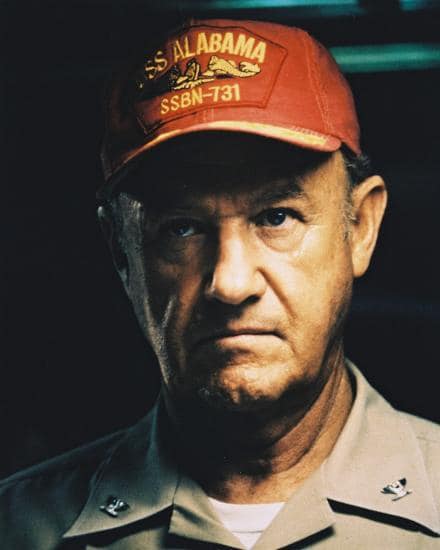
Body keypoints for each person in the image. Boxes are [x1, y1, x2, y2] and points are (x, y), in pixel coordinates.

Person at [1, 17, 439, 550]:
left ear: (360, 227)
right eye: (181, 229)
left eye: (276, 217)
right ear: (122, 253)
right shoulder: (18, 529)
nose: (230, 284)